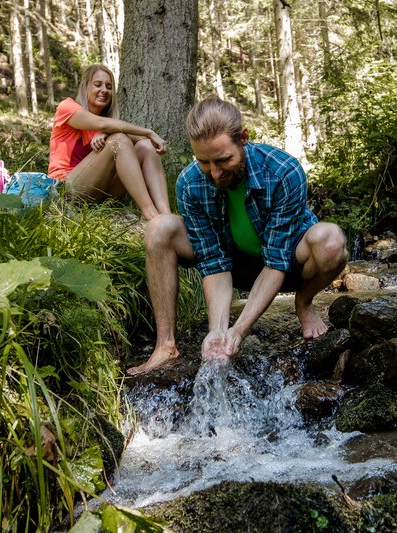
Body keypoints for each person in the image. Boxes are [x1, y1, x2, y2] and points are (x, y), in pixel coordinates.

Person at [128, 96, 348, 375]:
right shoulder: (189, 183)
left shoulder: (284, 171)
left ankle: (303, 303)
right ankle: (165, 346)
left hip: (288, 265)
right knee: (160, 228)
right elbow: (214, 263)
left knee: (331, 240)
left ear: (243, 138)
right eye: (204, 162)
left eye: (223, 160)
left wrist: (239, 331)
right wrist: (219, 332)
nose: (215, 173)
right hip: (234, 266)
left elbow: (276, 262)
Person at [48, 64, 171, 220]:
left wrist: (107, 134)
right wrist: (149, 132)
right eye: (98, 84)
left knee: (145, 146)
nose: (104, 90)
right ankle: (150, 214)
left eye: (109, 87)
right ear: (85, 87)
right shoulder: (67, 107)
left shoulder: (108, 127)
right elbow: (101, 124)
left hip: (101, 196)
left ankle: (166, 214)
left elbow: (143, 141)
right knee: (118, 141)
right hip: (67, 190)